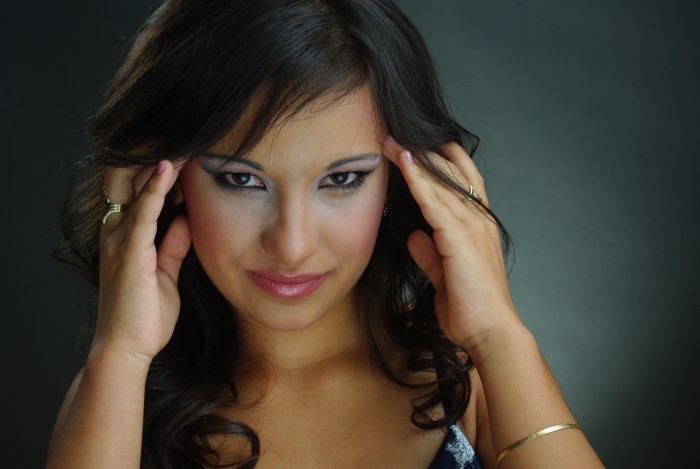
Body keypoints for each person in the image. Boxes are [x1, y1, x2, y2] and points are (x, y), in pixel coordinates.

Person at [46, 0, 603, 468]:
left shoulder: (467, 378)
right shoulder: (123, 394)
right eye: (242, 180)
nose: (292, 246)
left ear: (400, 182)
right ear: (166, 180)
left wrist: (498, 333)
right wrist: (119, 353)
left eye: (341, 179)